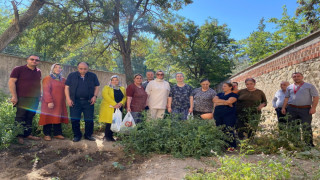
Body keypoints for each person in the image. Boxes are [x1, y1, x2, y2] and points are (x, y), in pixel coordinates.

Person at [8, 55, 42, 144]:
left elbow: (38, 85)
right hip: (22, 97)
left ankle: (28, 134)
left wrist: (39, 95)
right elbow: (11, 82)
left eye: (36, 60)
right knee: (20, 117)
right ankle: (19, 136)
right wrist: (14, 96)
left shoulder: (38, 71)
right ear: (27, 60)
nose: (34, 61)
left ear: (38, 62)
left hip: (34, 99)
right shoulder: (18, 69)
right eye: (32, 59)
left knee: (30, 116)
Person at [281, 72, 319, 147]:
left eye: (298, 76)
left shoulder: (309, 86)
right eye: (294, 76)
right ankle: (296, 144)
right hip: (291, 109)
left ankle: (308, 144)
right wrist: (283, 107)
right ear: (292, 78)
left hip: (305, 109)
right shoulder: (289, 87)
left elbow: (316, 97)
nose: (296, 78)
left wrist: (313, 107)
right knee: (293, 126)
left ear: (302, 77)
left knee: (306, 126)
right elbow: (286, 98)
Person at [65, 62, 100, 142]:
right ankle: (77, 135)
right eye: (81, 69)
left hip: (88, 101)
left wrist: (94, 96)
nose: (83, 70)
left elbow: (97, 86)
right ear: (77, 68)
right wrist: (68, 99)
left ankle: (88, 135)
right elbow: (66, 87)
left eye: (85, 69)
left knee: (89, 119)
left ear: (88, 68)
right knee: (74, 119)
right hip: (75, 101)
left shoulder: (93, 76)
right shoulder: (71, 75)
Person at [39, 63, 69, 141]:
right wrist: (49, 101)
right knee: (48, 117)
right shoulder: (47, 78)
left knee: (57, 116)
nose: (58, 69)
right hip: (49, 102)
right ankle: (47, 134)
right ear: (52, 69)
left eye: (60, 67)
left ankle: (57, 133)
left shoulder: (64, 80)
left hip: (59, 102)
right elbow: (46, 91)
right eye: (55, 67)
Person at [99, 75, 126, 141]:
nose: (114, 81)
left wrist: (121, 103)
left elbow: (125, 97)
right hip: (110, 107)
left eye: (116, 80)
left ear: (118, 81)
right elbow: (106, 96)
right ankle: (106, 136)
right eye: (113, 80)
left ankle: (111, 136)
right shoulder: (107, 87)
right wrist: (115, 104)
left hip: (118, 107)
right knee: (109, 122)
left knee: (115, 122)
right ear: (111, 81)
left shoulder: (122, 88)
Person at [213, 82, 238, 149]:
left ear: (230, 87)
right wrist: (225, 102)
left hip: (229, 115)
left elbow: (230, 102)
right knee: (220, 129)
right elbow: (214, 100)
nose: (223, 87)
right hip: (218, 114)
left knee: (228, 129)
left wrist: (220, 102)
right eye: (223, 86)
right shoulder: (219, 94)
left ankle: (231, 146)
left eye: (225, 86)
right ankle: (222, 146)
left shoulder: (233, 95)